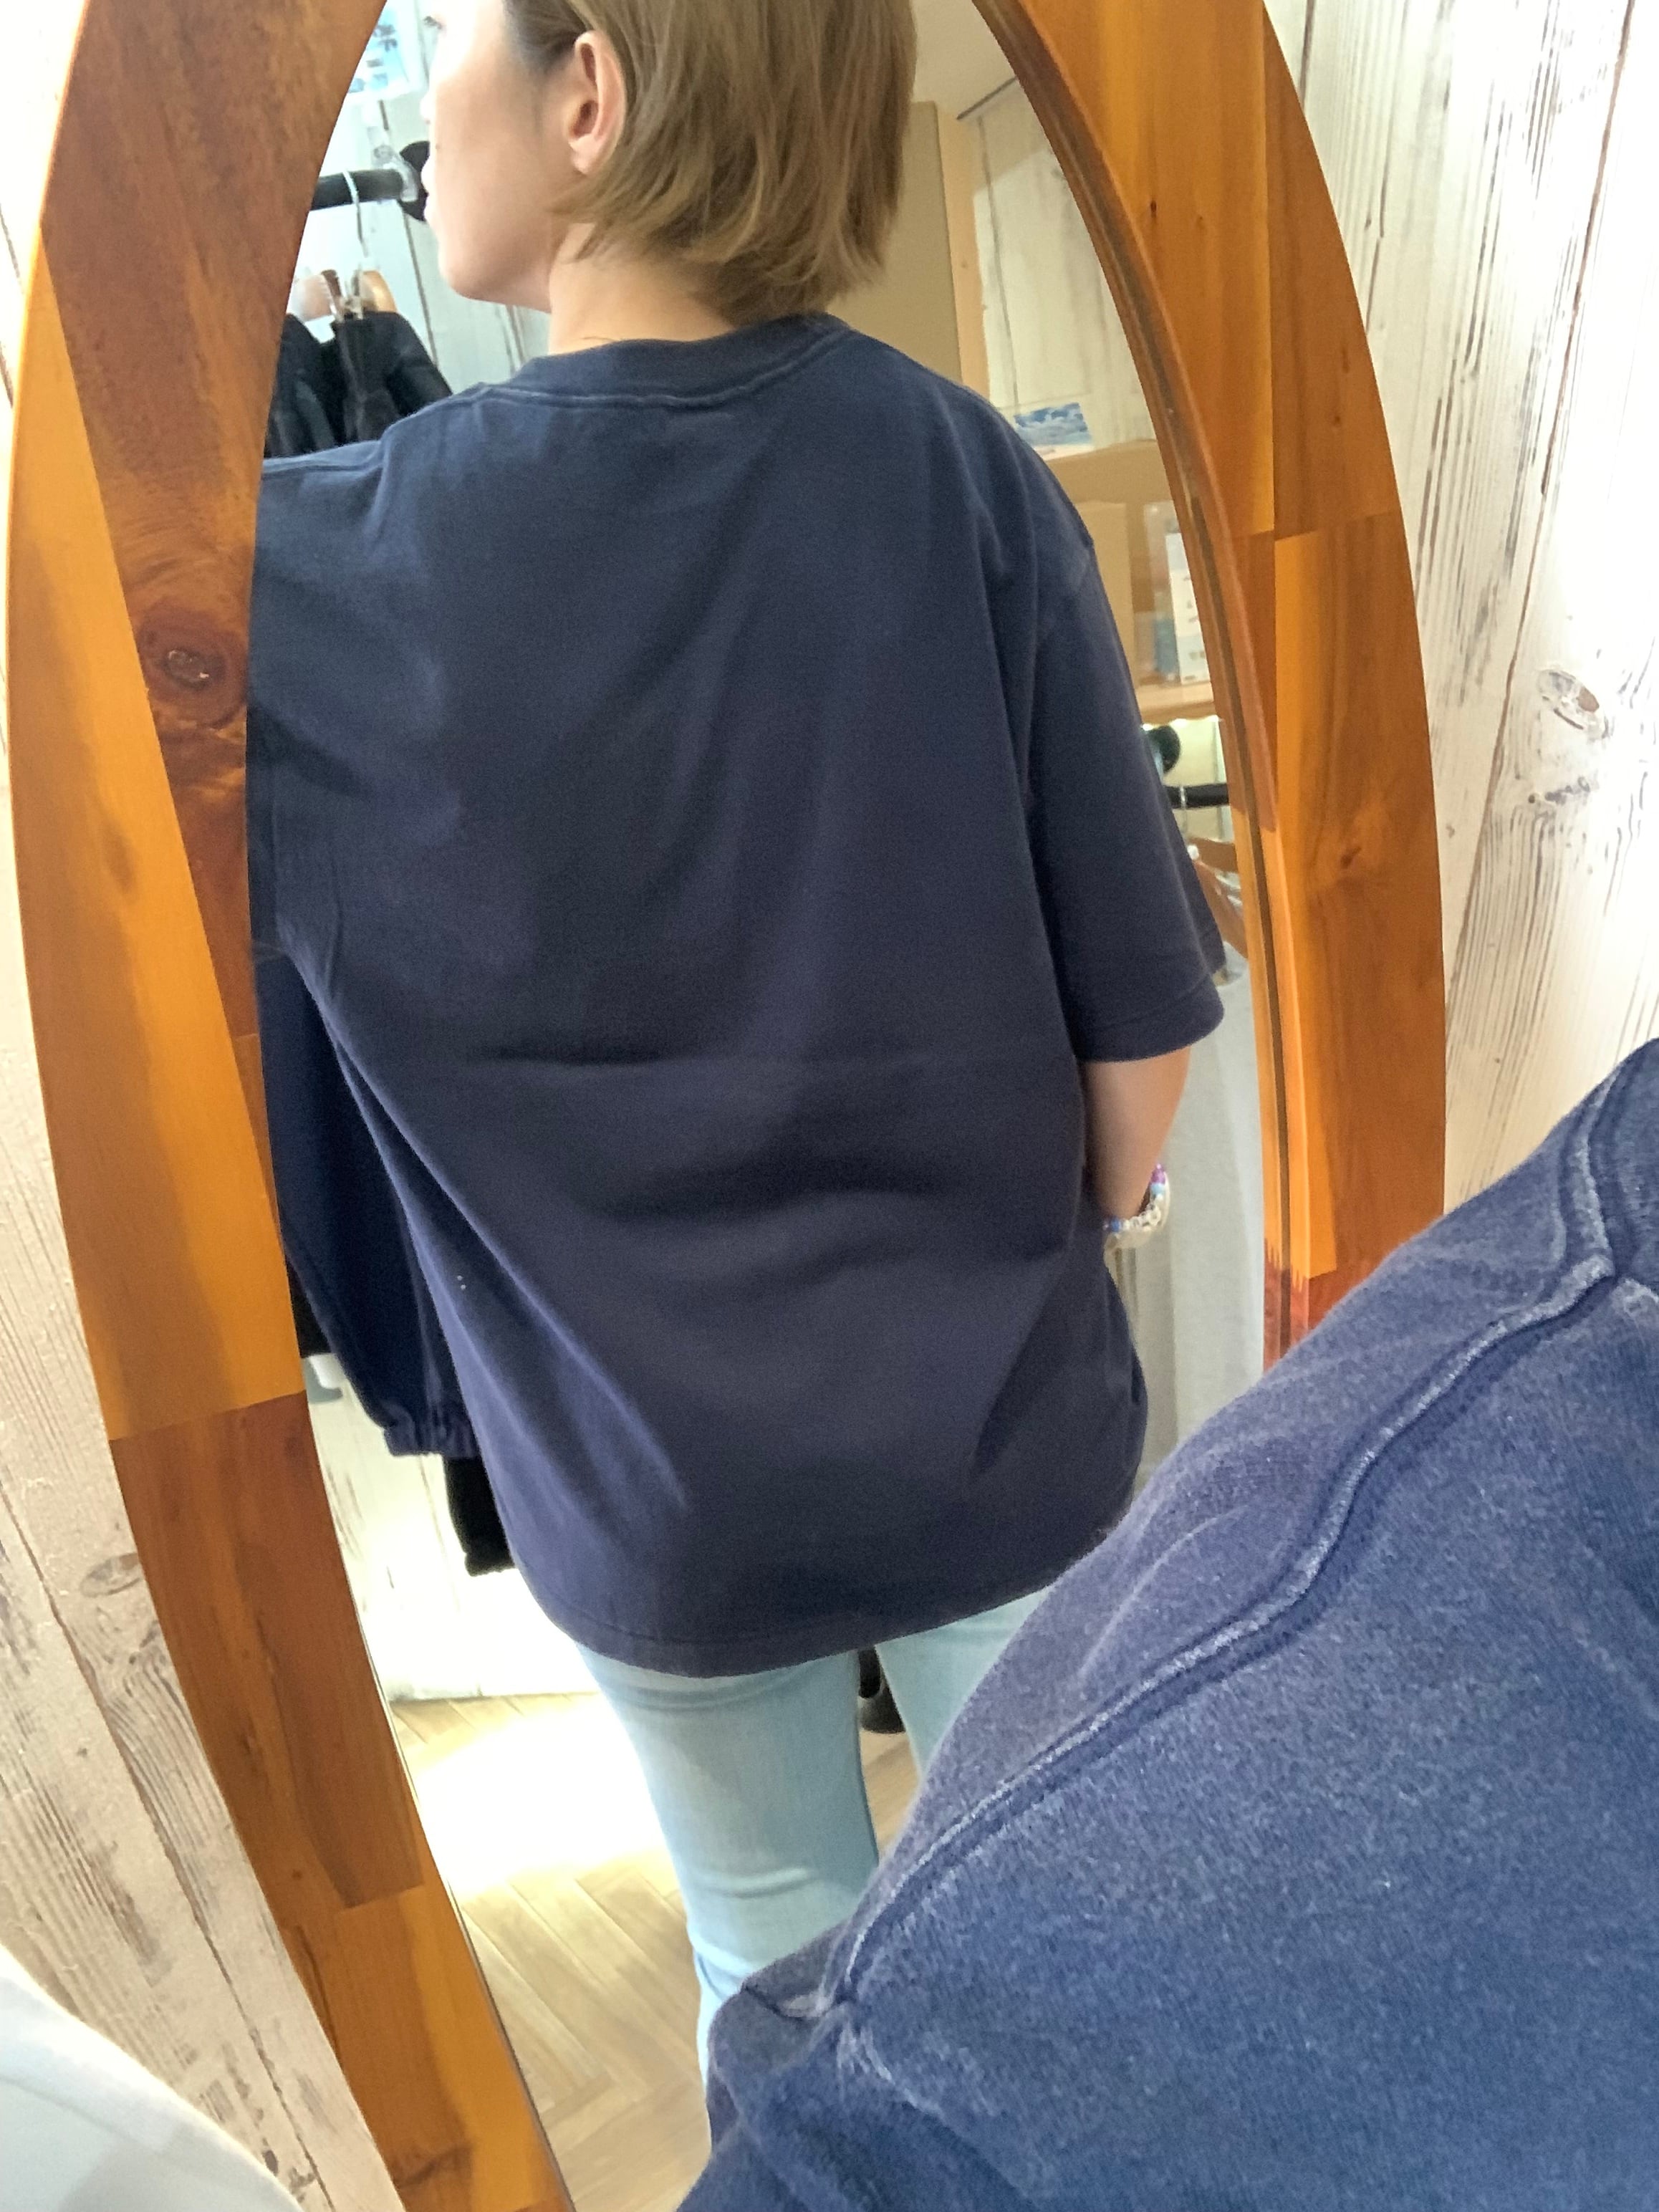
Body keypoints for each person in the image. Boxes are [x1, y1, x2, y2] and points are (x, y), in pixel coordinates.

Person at [248, 0, 1223, 2052]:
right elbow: (1139, 1047)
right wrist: (1093, 1221)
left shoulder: (310, 584)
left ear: (591, 91)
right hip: (996, 1436)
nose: (422, 93)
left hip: (645, 1486)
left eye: (456, 33)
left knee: (769, 1985)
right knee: (1090, 1979)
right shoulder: (957, 469)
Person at [680, 1042, 1659, 2208]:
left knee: (762, 1917)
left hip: (640, 1461)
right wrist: (1119, 1210)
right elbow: (1135, 1045)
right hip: (980, 1414)